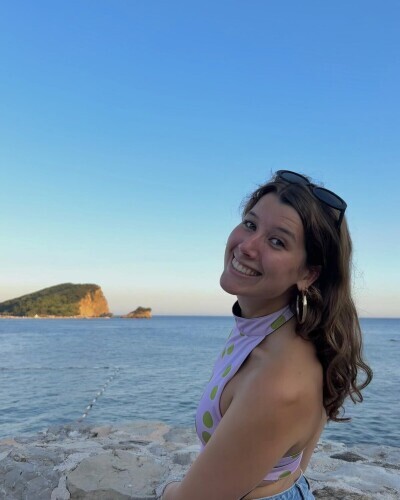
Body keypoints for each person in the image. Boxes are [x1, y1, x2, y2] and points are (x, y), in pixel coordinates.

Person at [158, 170, 372, 500]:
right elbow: (296, 465)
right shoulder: (280, 329)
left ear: (308, 274)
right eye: (250, 224)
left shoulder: (277, 381)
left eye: (277, 241)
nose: (247, 246)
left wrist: (167, 489)